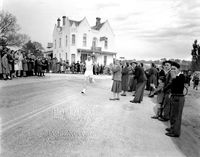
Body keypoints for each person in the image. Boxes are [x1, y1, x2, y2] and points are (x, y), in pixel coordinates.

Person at [164, 62, 185, 137]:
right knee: (172, 114)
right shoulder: (176, 76)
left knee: (176, 115)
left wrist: (173, 76)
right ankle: (172, 128)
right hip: (174, 96)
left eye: (174, 69)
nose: (172, 70)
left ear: (178, 69)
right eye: (171, 69)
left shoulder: (181, 76)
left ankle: (175, 132)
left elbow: (176, 83)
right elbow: (171, 85)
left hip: (178, 97)